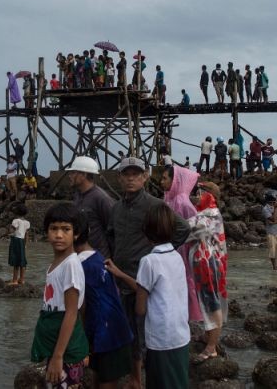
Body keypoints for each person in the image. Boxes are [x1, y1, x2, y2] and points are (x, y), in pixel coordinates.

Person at [109, 157, 189, 389]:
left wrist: (161, 252)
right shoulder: (116, 208)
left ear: (145, 177)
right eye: (127, 174)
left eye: (136, 174)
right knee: (130, 331)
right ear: (120, 178)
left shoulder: (155, 205)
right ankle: (136, 379)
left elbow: (183, 228)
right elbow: (111, 235)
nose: (131, 178)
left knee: (147, 331)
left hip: (146, 280)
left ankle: (149, 376)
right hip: (122, 278)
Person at [30, 203, 89, 388]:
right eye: (53, 228)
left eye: (66, 229)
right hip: (56, 346)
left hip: (65, 353)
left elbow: (71, 312)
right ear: (46, 231)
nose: (59, 235)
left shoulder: (71, 265)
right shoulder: (56, 263)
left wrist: (58, 356)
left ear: (76, 234)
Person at [71, 215, 133, 388]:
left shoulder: (78, 266)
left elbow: (80, 308)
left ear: (72, 236)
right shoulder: (98, 256)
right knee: (104, 379)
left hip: (103, 333)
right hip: (116, 328)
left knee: (105, 380)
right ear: (89, 232)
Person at [188, 182, 228, 362]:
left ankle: (211, 346)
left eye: (200, 193)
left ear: (208, 195)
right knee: (207, 300)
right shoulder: (206, 213)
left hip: (209, 265)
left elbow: (190, 231)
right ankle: (208, 336)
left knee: (212, 303)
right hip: (207, 264)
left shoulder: (210, 214)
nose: (196, 196)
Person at [161, 164, 203, 326]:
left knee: (185, 281)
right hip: (173, 250)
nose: (161, 181)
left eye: (165, 178)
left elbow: (195, 231)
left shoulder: (182, 202)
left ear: (175, 180)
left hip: (182, 251)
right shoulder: (170, 199)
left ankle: (189, 316)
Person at [67, 156, 114, 259]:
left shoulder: (101, 198)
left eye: (73, 172)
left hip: (99, 258)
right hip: (80, 257)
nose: (69, 176)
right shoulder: (77, 195)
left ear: (83, 175)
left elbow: (112, 230)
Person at [8, 206, 31, 285]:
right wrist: (25, 244)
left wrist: (9, 231)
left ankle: (14, 281)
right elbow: (27, 235)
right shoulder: (27, 223)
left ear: (16, 213)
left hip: (16, 241)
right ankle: (22, 279)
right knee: (22, 261)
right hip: (22, 241)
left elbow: (12, 231)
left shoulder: (16, 221)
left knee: (16, 261)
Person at [263, 194, 277, 270]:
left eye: (274, 202)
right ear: (269, 202)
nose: (274, 204)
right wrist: (275, 209)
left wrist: (275, 222)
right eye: (272, 202)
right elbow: (274, 219)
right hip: (271, 233)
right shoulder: (265, 209)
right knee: (272, 251)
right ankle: (274, 266)